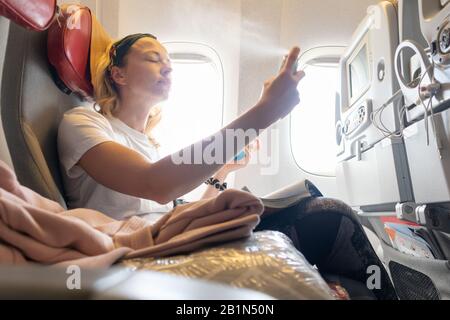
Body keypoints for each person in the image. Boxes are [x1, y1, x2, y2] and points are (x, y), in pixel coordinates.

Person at [58, 34, 396, 299]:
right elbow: (154, 185)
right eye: (153, 58)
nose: (167, 67)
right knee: (329, 218)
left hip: (166, 234)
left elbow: (173, 208)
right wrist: (265, 112)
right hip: (136, 247)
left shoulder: (149, 143)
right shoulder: (83, 123)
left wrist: (222, 175)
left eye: (170, 62)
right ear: (117, 73)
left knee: (317, 207)